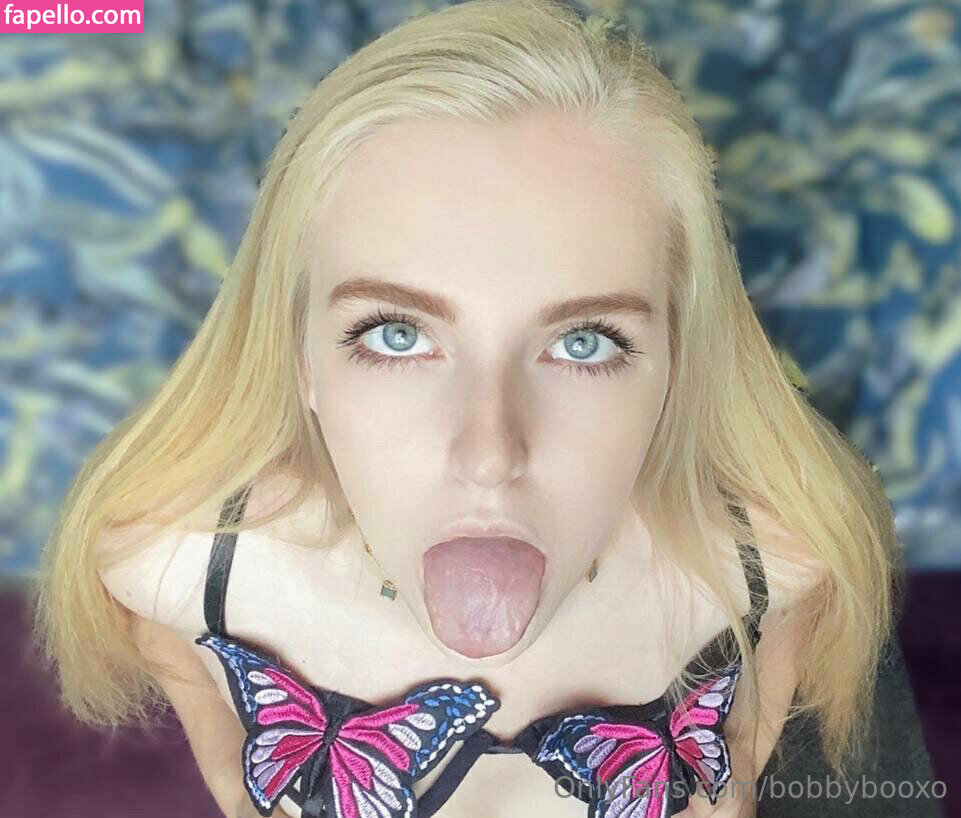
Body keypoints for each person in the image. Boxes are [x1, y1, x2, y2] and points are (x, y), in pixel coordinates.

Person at [31, 1, 939, 816]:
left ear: (676, 363)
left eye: (583, 342)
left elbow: (763, 720)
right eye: (395, 335)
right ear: (298, 356)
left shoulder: (777, 564)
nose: (488, 452)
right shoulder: (174, 566)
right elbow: (206, 720)